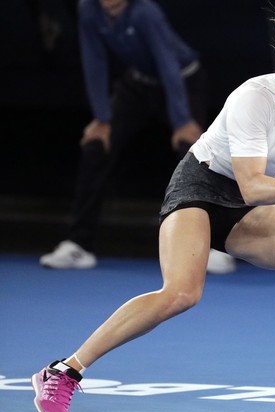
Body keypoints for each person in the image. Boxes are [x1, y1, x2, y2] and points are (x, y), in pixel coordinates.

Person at [31, 14, 275, 412]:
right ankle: (64, 372)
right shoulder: (254, 98)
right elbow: (252, 187)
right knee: (181, 293)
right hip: (200, 187)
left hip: (243, 203)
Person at [39, 0, 236, 273]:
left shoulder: (145, 12)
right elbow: (93, 57)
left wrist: (181, 120)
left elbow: (167, 64)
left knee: (195, 153)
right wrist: (102, 117)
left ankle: (211, 245)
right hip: (138, 85)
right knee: (96, 146)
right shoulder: (88, 9)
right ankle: (79, 245)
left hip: (182, 81)